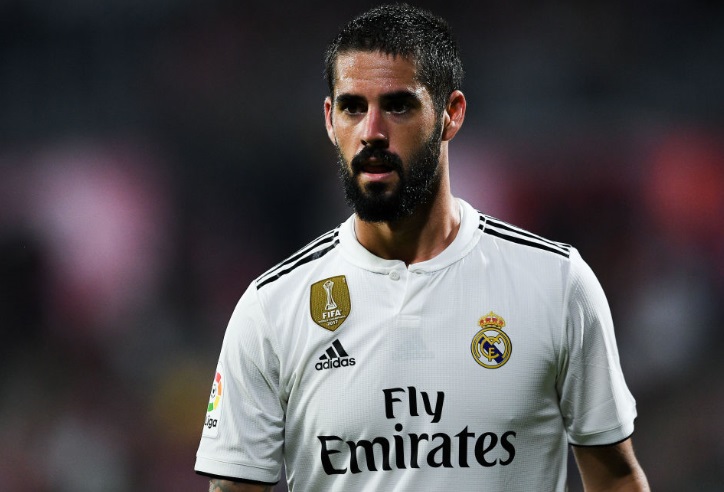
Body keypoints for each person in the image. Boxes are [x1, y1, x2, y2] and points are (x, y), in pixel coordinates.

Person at [195, 4, 649, 491]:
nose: (372, 132)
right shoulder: (272, 309)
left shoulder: (555, 284)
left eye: (398, 106)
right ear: (329, 119)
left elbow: (616, 479)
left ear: (451, 114)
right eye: (352, 107)